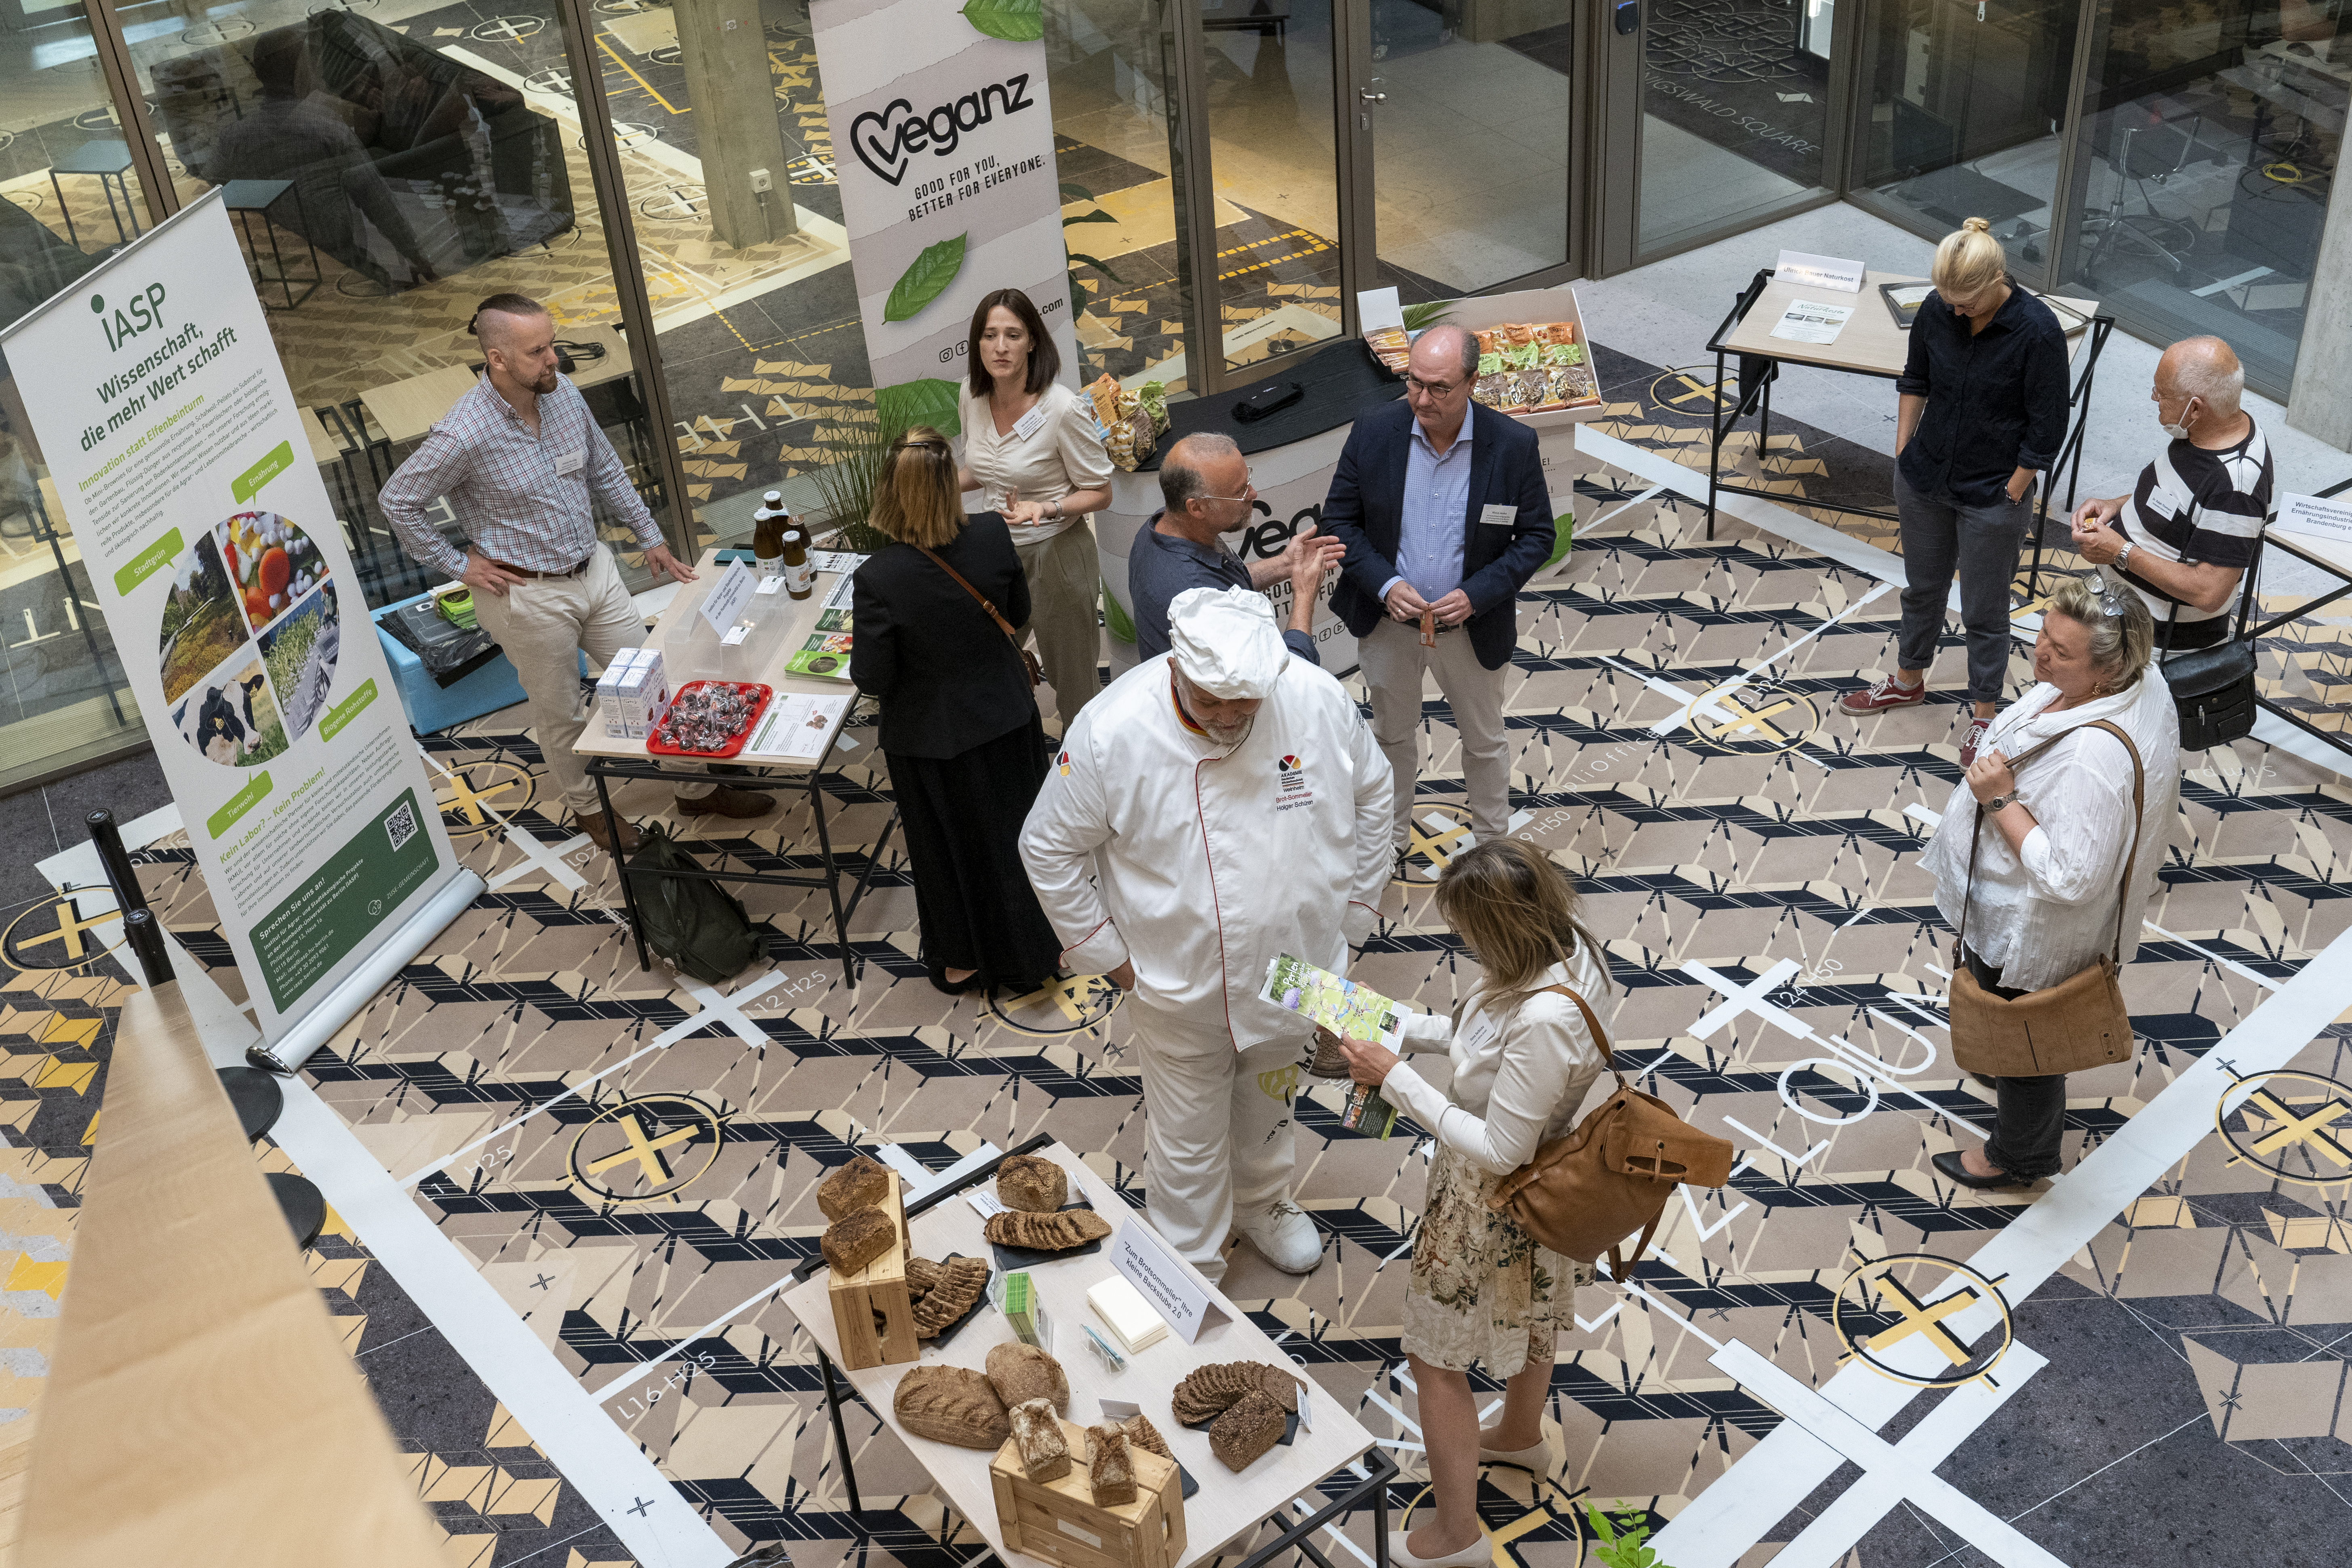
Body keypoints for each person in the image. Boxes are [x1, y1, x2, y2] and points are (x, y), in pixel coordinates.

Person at [1019, 587, 1391, 1280]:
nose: (1226, 717)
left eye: (1242, 704)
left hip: (1300, 967)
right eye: (1208, 700)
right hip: (1177, 979)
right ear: (1175, 669)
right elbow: (1046, 847)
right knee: (1187, 1135)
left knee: (1272, 1102)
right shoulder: (1111, 730)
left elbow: (1374, 791)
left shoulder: (1315, 698)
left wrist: (1358, 910)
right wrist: (1110, 958)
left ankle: (1262, 1202)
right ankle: (1187, 1260)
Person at [379, 294, 773, 853]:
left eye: (552, 344)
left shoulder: (563, 396)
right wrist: (458, 564)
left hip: (595, 571)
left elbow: (604, 467)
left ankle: (693, 786)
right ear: (497, 359)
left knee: (649, 681)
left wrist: (650, 536)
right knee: (561, 709)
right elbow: (398, 501)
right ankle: (591, 808)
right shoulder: (463, 434)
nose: (553, 360)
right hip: (527, 597)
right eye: (537, 351)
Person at [1326, 840, 1612, 1568]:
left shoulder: (1547, 1018)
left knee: (1431, 1357)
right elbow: (1485, 1041)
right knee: (1535, 1311)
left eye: (1469, 932)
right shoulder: (1568, 947)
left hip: (1490, 1201)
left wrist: (1395, 1078)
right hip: (1548, 1188)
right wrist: (1398, 1026)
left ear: (1503, 930)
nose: (1462, 943)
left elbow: (1499, 1147)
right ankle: (1520, 1435)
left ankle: (1457, 1535)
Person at [1921, 573, 2179, 1190]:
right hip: (2013, 908)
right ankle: (2006, 1073)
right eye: (2043, 633)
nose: (2039, 652)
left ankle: (2021, 1155)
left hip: (2031, 926)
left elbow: (2071, 876)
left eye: (2061, 652)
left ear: (2108, 670)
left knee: (2030, 1041)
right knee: (2018, 1035)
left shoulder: (2093, 758)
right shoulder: (2140, 682)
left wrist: (2000, 798)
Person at [1840, 218, 2071, 766]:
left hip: (1993, 493)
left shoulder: (2037, 332)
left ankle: (1985, 714)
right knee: (1921, 589)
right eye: (1948, 301)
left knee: (1984, 609)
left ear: (1997, 279)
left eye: (1966, 302)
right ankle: (1908, 679)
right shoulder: (1937, 310)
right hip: (1923, 478)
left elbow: (2047, 426)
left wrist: (2014, 489)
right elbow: (1915, 378)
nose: (1957, 311)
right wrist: (1902, 450)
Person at [1321, 323, 1554, 858]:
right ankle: (1389, 839)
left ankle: (1495, 849)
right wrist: (1384, 584)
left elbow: (1537, 535)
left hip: (1472, 627)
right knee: (1391, 737)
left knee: (1484, 741)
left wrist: (1477, 593)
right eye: (1413, 382)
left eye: (1439, 387)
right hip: (1389, 625)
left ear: (1472, 381)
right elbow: (1340, 521)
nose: (1421, 399)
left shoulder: (1513, 445)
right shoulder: (1374, 430)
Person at [851, 428, 1064, 996]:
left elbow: (872, 678)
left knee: (948, 853)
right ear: (950, 486)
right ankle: (1040, 950)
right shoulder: (994, 534)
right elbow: (1016, 615)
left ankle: (963, 959)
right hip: (1006, 718)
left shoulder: (878, 578)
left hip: (930, 743)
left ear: (891, 492)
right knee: (1020, 838)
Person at [956, 288, 1115, 727]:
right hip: (995, 555)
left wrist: (1045, 508)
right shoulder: (971, 393)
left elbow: (1100, 491)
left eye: (1013, 335)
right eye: (990, 335)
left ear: (1032, 342)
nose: (1001, 347)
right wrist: (930, 490)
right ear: (978, 343)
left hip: (1057, 556)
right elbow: (979, 469)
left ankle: (1084, 777)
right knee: (986, 662)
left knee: (1075, 685)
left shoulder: (1062, 408)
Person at [2065, 336, 2270, 650]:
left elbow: (2209, 592)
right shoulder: (2202, 430)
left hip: (2151, 645)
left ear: (2196, 408)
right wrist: (2116, 506)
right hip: (2119, 618)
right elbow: (2179, 502)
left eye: (2161, 393)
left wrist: (2120, 552)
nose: (2153, 398)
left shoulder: (2235, 488)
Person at [1129, 431, 1343, 665]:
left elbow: (1223, 585)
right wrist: (1304, 595)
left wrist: (1286, 564)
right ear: (1197, 508)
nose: (1253, 494)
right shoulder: (1197, 602)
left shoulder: (1163, 525)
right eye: (1239, 491)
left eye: (1248, 481)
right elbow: (1283, 679)